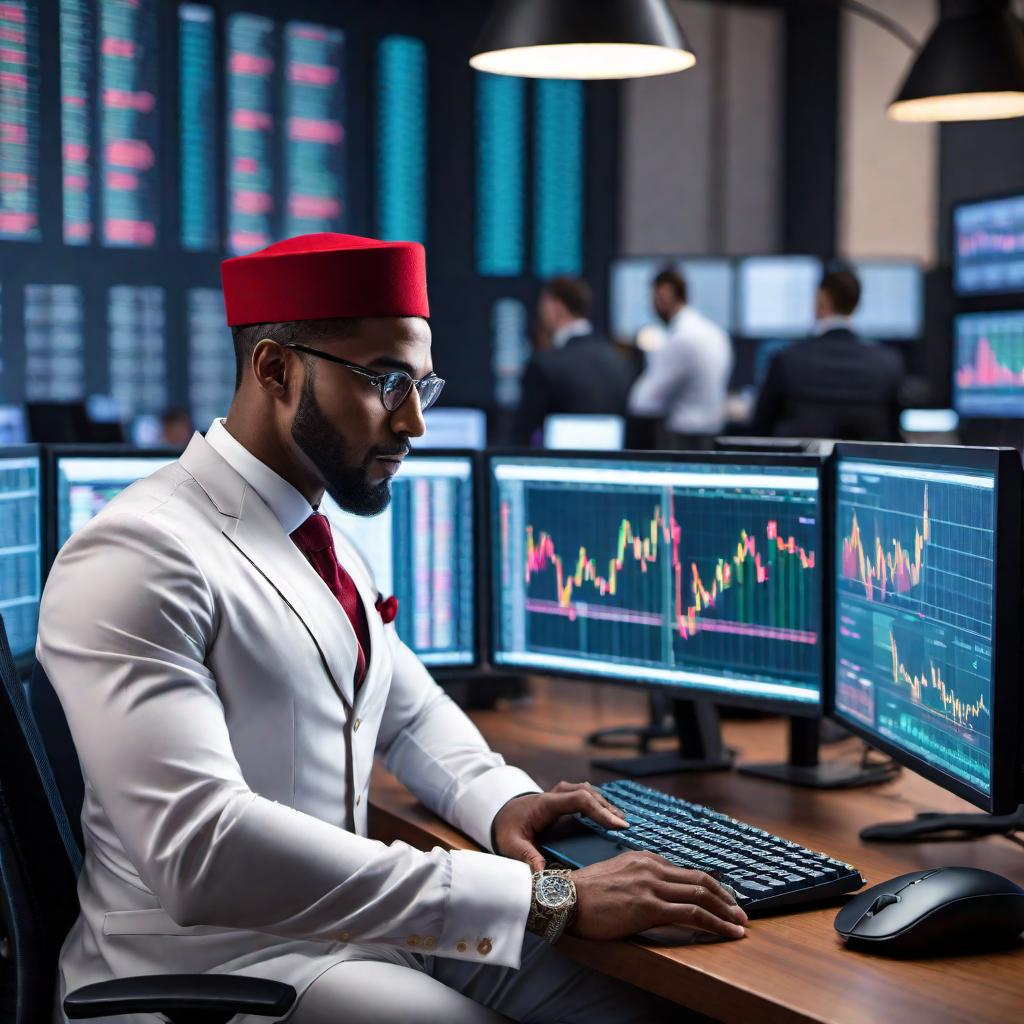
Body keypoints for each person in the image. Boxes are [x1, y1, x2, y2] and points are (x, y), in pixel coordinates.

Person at [38, 233, 746, 1024]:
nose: (413, 422)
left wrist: (504, 800)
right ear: (276, 369)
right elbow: (203, 852)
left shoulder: (319, 534)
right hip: (215, 968)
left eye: (421, 385)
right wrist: (547, 897)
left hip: (352, 934)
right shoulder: (139, 551)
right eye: (387, 382)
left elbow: (409, 710)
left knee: (651, 1010)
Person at [749, 268, 904, 440]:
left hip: (807, 465)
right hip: (863, 465)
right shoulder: (888, 364)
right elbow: (894, 436)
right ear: (857, 304)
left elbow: (760, 431)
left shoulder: (788, 360)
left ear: (821, 301)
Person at [510, 277, 633, 445]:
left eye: (543, 305)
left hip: (558, 467)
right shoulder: (619, 360)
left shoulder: (545, 364)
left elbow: (519, 438)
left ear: (557, 307)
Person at [627, 268, 734, 440]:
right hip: (714, 434)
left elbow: (644, 401)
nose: (652, 306)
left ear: (666, 294)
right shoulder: (715, 332)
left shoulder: (680, 338)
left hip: (684, 438)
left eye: (654, 298)